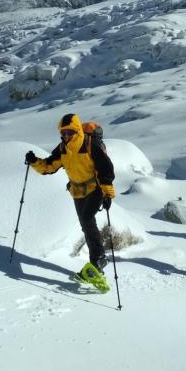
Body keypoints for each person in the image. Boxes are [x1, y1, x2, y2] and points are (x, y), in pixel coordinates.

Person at [25, 113, 115, 277]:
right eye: (63, 133)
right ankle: (95, 265)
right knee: (85, 225)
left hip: (95, 189)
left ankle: (99, 259)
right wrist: (34, 161)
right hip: (77, 191)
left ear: (77, 131)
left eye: (70, 132)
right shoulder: (62, 149)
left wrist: (108, 193)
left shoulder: (89, 145)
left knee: (87, 220)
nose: (66, 136)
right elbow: (49, 166)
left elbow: (106, 168)